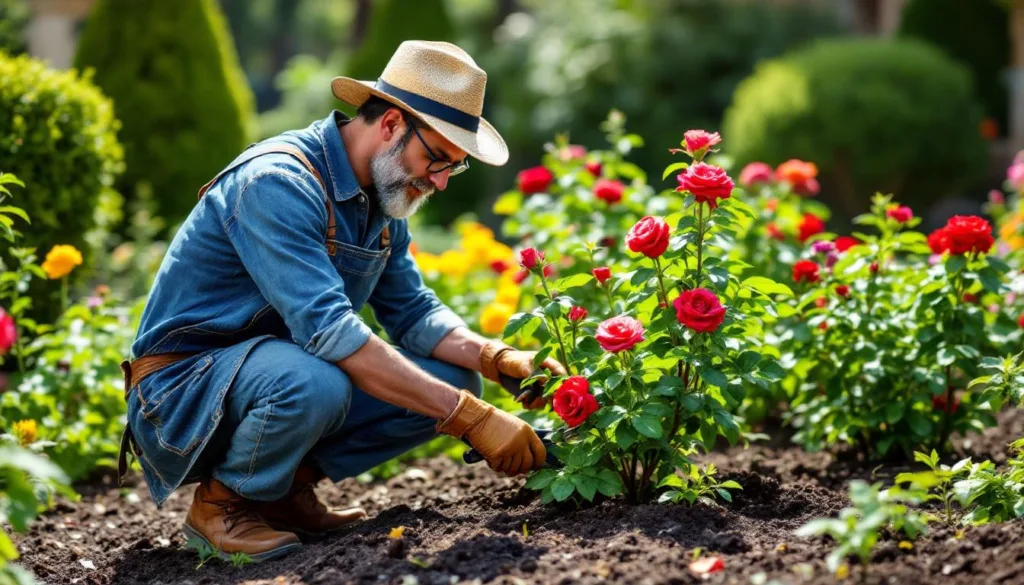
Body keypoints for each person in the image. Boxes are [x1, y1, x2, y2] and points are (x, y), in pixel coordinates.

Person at [118, 40, 565, 562]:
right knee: (316, 380)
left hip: (270, 378)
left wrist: (495, 358)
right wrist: (470, 419)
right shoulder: (278, 182)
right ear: (393, 124)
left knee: (449, 380)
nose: (440, 182)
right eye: (437, 159)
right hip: (181, 392)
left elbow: (414, 313)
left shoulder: (381, 199)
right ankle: (223, 506)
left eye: (453, 168)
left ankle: (279, 493)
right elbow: (330, 332)